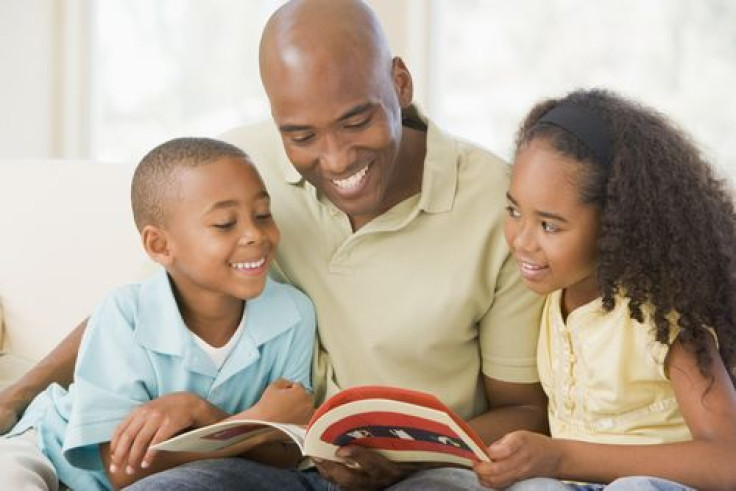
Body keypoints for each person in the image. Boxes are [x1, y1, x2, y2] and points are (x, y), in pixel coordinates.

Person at [1, 1, 547, 489]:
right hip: (270, 462)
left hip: (420, 471)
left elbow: (523, 408)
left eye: (357, 119)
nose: (334, 161)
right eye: (301, 135)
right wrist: (15, 396)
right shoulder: (234, 171)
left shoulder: (498, 206)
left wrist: (406, 461)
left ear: (400, 82)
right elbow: (144, 309)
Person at [0, 137, 317, 490]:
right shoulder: (125, 313)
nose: (255, 235)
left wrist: (204, 413)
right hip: (49, 449)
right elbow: (123, 470)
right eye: (225, 223)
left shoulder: (294, 314)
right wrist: (257, 423)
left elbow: (287, 454)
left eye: (262, 214)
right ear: (159, 245)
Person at [471, 89, 736, 490]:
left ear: (615, 223)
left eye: (549, 225)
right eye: (513, 211)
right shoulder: (547, 295)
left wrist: (561, 455)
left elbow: (727, 462)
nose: (522, 241)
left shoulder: (662, 318)